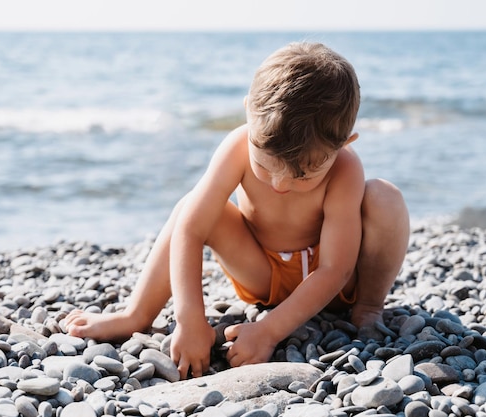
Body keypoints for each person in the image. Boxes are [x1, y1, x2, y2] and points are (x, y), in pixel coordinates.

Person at [65, 42, 410, 380]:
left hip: (334, 283)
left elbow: (335, 268)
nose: (279, 185)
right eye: (265, 165)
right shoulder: (238, 146)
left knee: (385, 197)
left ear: (344, 143)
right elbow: (191, 229)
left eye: (303, 175)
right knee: (191, 207)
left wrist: (269, 331)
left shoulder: (345, 168)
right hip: (262, 270)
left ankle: (369, 308)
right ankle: (136, 313)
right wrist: (190, 319)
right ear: (247, 110)